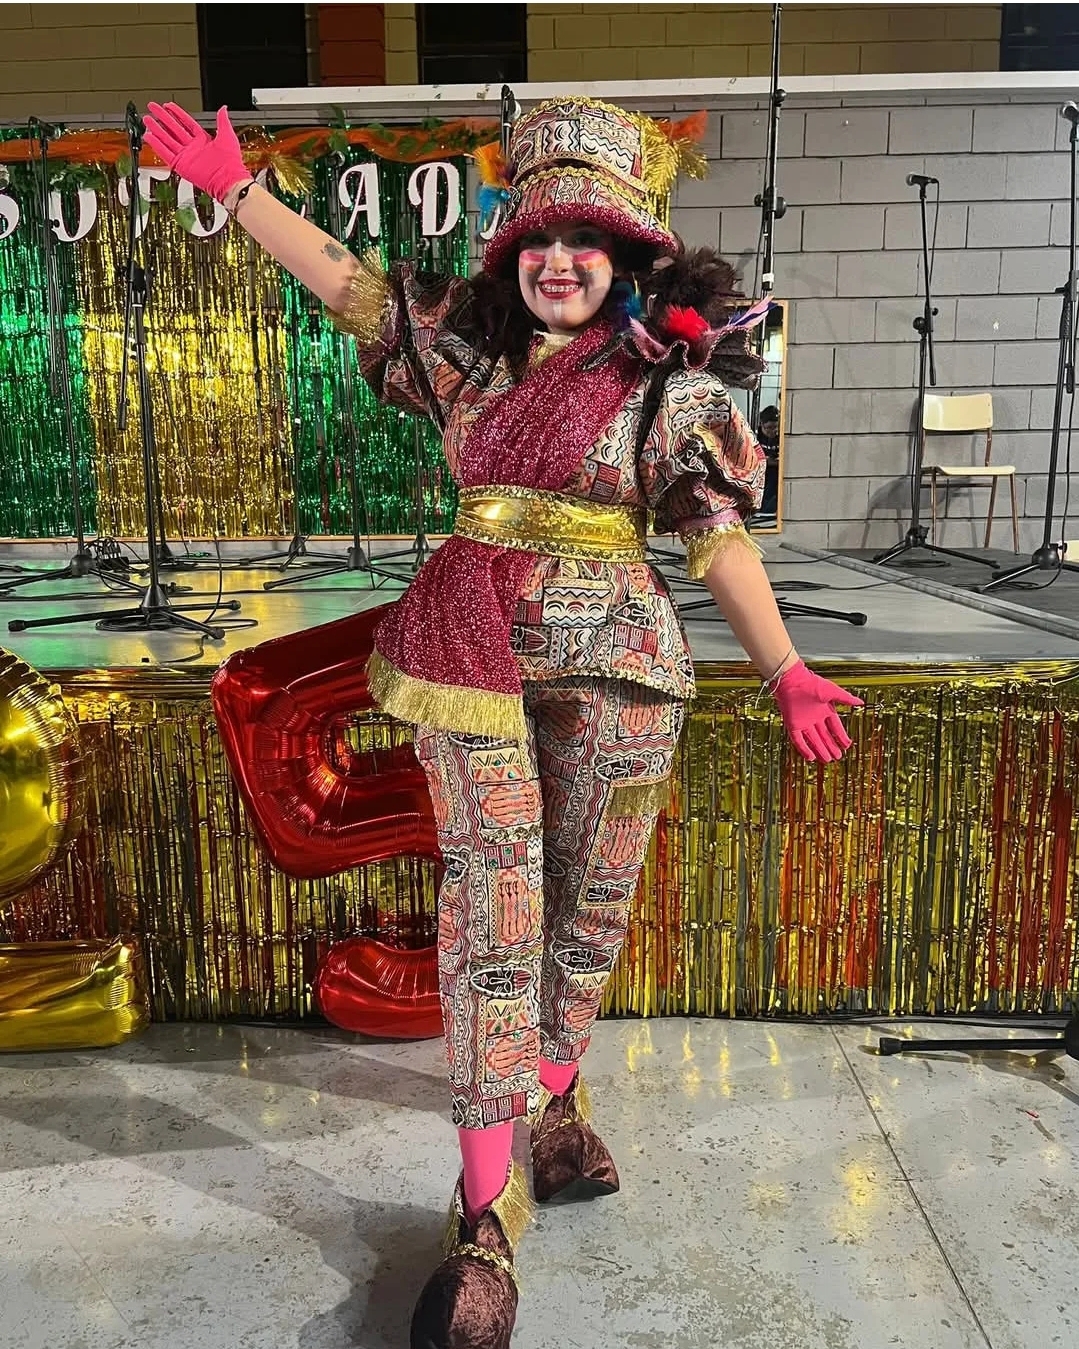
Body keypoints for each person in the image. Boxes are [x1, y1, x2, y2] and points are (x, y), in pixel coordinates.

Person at [144, 97, 864, 1349]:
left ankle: (556, 1102)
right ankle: (482, 1221)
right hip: (467, 655)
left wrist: (787, 667)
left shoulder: (667, 383)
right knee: (494, 908)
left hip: (621, 669)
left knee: (588, 908)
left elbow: (714, 536)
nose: (560, 259)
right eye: (539, 237)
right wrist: (239, 191)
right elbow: (345, 282)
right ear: (509, 251)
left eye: (586, 239)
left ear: (627, 254)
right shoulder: (464, 358)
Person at [756, 403, 781, 516]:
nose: (773, 431)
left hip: (775, 476)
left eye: (775, 427)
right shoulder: (755, 436)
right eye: (769, 428)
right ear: (761, 424)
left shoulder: (781, 436)